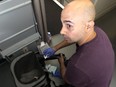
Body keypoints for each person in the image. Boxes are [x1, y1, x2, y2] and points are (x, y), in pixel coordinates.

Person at [43, 0, 115, 87]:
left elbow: (66, 78)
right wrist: (55, 48)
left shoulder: (78, 65)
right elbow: (73, 38)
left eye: (69, 25)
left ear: (88, 26)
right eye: (63, 24)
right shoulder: (97, 31)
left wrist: (61, 63)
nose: (61, 31)